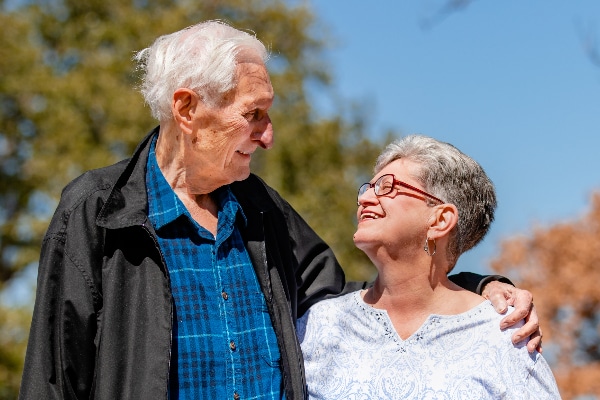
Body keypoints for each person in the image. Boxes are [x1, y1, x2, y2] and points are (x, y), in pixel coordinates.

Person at [19, 21, 541, 400]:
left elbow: (361, 307)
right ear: (186, 109)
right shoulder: (98, 210)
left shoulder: (262, 211)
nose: (268, 137)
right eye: (253, 116)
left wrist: (475, 288)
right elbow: (53, 377)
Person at [298, 134, 561, 399]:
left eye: (387, 187)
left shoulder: (505, 335)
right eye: (367, 188)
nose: (365, 198)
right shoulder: (318, 325)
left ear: (440, 220)